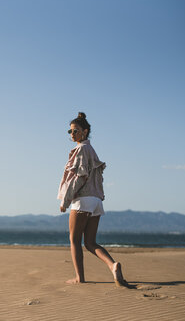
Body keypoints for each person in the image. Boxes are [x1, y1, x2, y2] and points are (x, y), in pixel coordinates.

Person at [57, 112, 128, 287]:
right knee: (90, 242)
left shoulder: (81, 149)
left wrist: (65, 201)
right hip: (96, 201)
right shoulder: (91, 150)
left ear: (85, 131)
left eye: (76, 131)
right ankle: (113, 266)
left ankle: (79, 278)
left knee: (74, 240)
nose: (72, 134)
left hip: (83, 199)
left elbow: (79, 178)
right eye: (70, 131)